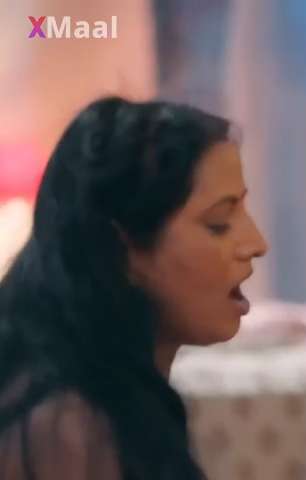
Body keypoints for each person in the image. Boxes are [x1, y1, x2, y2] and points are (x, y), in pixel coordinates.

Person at [0, 97, 268, 479]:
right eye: (219, 223)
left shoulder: (118, 394)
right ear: (123, 247)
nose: (256, 243)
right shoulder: (68, 426)